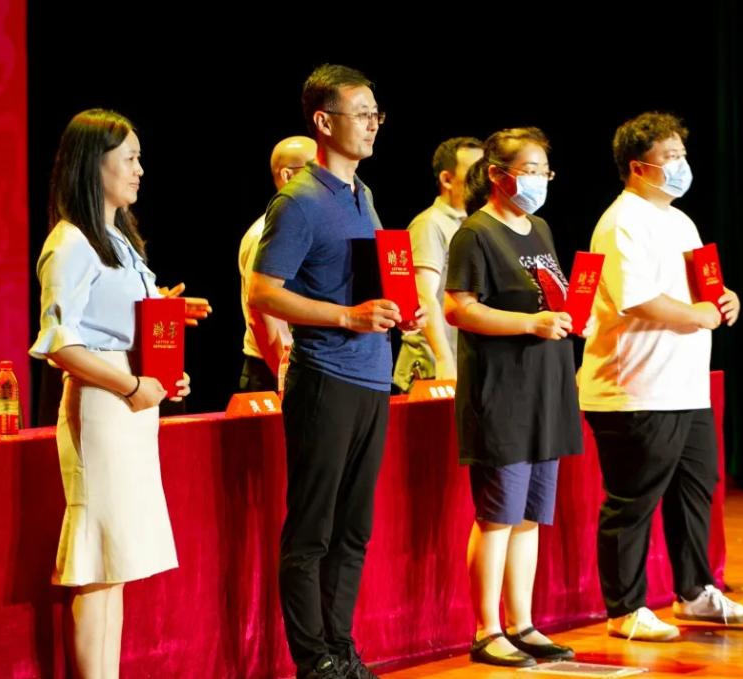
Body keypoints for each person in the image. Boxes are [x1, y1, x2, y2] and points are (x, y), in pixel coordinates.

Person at [249, 64, 423, 679]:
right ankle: (314, 659)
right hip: (325, 377)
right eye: (362, 113)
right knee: (313, 530)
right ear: (324, 122)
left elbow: (362, 282)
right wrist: (347, 317)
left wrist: (400, 309)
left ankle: (341, 649)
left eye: (377, 114)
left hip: (372, 377)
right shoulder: (298, 201)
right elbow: (263, 291)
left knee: (354, 530)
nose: (373, 124)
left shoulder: (362, 195)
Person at [579, 111, 743, 642]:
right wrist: (698, 315)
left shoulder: (681, 221)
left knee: (696, 489)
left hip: (686, 384)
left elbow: (704, 288)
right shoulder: (621, 222)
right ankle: (625, 608)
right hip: (636, 387)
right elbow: (636, 299)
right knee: (633, 499)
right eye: (670, 157)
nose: (681, 166)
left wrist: (724, 300)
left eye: (683, 155)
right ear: (639, 167)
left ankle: (695, 591)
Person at [29, 109, 190, 679]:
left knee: (116, 562)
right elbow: (59, 343)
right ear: (92, 165)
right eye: (129, 159)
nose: (139, 170)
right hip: (102, 407)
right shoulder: (70, 242)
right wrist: (132, 383)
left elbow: (123, 325)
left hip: (131, 404)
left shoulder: (119, 239)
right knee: (95, 562)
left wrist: (162, 371)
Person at [444, 127, 583, 667]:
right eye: (530, 170)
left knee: (530, 515)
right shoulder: (476, 233)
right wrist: (530, 323)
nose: (540, 180)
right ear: (498, 175)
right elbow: (459, 308)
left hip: (546, 388)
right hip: (501, 392)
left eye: (545, 171)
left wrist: (569, 317)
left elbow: (551, 298)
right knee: (498, 514)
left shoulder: (539, 227)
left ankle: (523, 622)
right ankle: (488, 629)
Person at [392, 136, 482, 391]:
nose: (482, 179)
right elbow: (424, 297)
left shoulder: (477, 224)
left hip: (467, 362)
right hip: (435, 369)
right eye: (474, 172)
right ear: (447, 179)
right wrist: (444, 360)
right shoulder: (430, 224)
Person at [238, 136, 316, 392]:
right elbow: (261, 318)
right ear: (287, 175)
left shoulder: (306, 229)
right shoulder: (266, 233)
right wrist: (285, 379)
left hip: (303, 368)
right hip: (271, 371)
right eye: (315, 170)